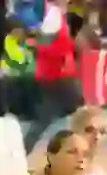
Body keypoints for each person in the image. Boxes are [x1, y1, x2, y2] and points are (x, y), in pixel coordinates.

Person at [20, 0, 83, 154]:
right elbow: (52, 48)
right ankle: (77, 151)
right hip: (58, 76)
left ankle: (22, 151)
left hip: (52, 75)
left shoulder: (52, 15)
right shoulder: (52, 16)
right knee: (81, 114)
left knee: (46, 117)